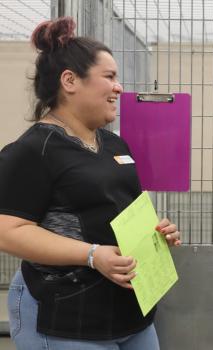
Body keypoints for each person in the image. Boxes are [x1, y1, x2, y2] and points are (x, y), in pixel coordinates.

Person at [0, 17, 181, 350]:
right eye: (109, 77)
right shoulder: (33, 150)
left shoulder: (115, 146)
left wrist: (156, 233)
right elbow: (8, 230)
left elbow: (121, 210)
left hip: (131, 312)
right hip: (66, 315)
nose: (119, 87)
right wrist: (92, 255)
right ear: (70, 81)